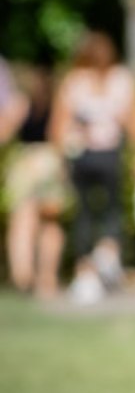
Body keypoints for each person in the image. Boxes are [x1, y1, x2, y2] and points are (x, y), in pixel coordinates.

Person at [49, 30, 135, 304]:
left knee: (84, 213)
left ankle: (86, 271)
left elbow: (58, 127)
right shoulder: (121, 80)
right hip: (109, 155)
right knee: (112, 209)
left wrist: (60, 158)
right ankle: (108, 251)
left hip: (80, 155)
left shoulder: (74, 81)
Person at [3, 59, 68, 298]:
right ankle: (47, 278)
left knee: (22, 221)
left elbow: (4, 132)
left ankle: (23, 275)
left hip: (26, 163)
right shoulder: (59, 102)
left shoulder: (21, 103)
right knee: (50, 223)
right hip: (50, 161)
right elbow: (60, 135)